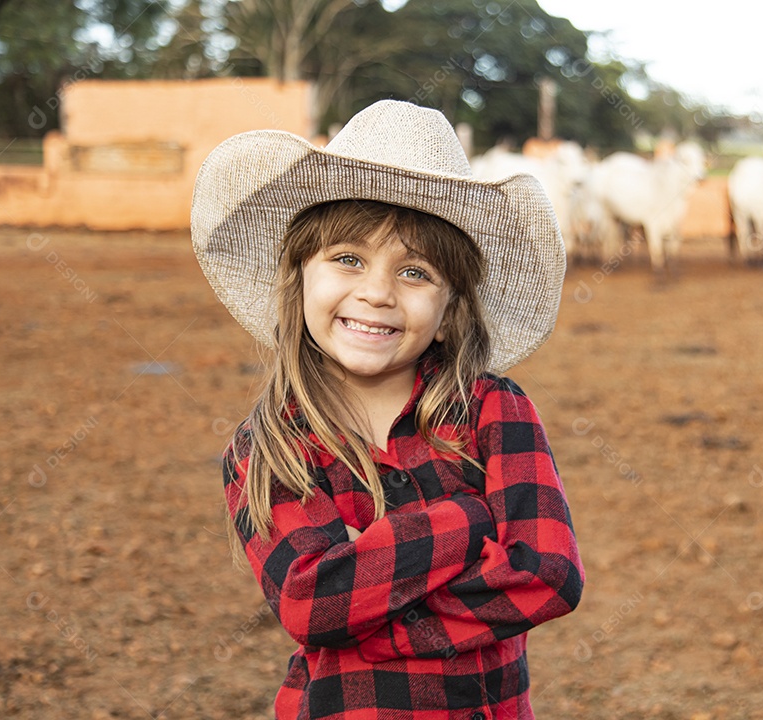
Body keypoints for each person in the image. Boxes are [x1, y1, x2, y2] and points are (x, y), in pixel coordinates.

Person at [191, 99, 584, 720]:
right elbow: (312, 604)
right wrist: (470, 519)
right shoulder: (268, 446)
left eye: (415, 272)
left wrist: (374, 604)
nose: (376, 292)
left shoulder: (493, 410)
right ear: (297, 278)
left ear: (452, 306)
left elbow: (548, 573)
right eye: (347, 259)